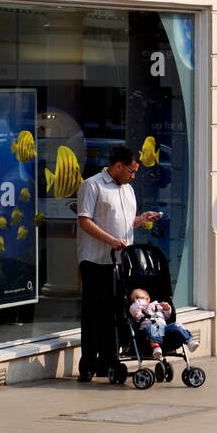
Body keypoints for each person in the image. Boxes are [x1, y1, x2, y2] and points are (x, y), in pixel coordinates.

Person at [76, 146, 160, 381]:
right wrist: (111, 241)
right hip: (95, 260)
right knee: (94, 313)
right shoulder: (92, 185)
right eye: (131, 171)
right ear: (118, 166)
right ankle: (88, 365)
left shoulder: (128, 190)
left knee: (114, 313)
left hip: (120, 261)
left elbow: (123, 223)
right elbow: (84, 221)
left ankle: (108, 361)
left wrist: (142, 219)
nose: (134, 176)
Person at [128, 287, 199, 359]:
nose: (137, 301)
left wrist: (166, 308)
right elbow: (134, 309)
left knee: (177, 325)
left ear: (147, 299)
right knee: (152, 328)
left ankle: (189, 341)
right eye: (134, 300)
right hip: (147, 334)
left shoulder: (157, 306)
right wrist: (138, 303)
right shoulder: (138, 312)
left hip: (164, 329)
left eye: (139, 298)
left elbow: (167, 316)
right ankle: (156, 348)